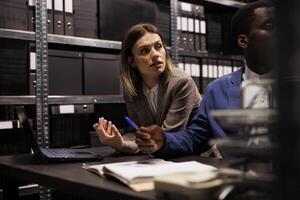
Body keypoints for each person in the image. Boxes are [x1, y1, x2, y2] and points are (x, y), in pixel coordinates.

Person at [135, 0, 276, 157]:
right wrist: (164, 140)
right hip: (238, 177)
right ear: (243, 41)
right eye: (270, 26)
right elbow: (196, 138)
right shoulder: (218, 89)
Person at [93, 23, 201, 153]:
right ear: (131, 61)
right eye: (144, 51)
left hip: (195, 156)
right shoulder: (132, 89)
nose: (155, 54)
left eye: (158, 46)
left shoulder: (181, 83)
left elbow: (164, 138)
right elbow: (139, 133)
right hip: (162, 159)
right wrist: (120, 143)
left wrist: (138, 140)